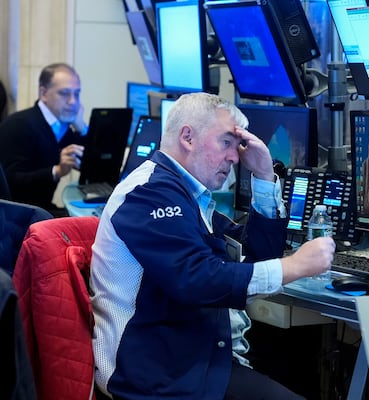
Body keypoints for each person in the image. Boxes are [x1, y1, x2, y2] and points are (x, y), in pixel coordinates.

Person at [90, 92, 335, 399]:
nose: (235, 157)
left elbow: (251, 259)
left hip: (196, 364)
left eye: (237, 145)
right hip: (156, 380)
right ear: (188, 137)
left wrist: (262, 176)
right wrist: (294, 266)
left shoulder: (187, 196)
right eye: (226, 142)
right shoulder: (148, 193)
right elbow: (195, 279)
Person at [0, 63, 86, 216]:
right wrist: (56, 171)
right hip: (17, 216)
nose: (73, 101)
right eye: (65, 93)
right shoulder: (19, 125)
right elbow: (11, 182)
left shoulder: (62, 126)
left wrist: (82, 128)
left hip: (40, 209)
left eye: (77, 94)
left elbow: (94, 166)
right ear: (43, 93)